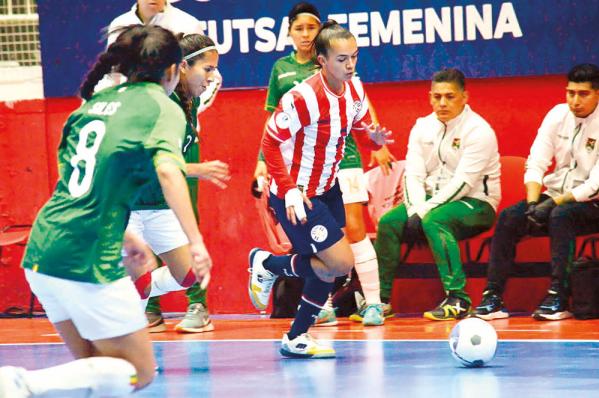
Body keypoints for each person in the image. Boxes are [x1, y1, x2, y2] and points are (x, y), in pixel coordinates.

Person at [0, 25, 211, 396]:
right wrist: (196, 242)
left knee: (99, 373)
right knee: (138, 372)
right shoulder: (162, 105)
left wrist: (128, 234)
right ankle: (21, 383)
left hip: (43, 250)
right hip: (88, 256)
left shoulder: (93, 105)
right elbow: (167, 170)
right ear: (173, 70)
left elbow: (80, 185)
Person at [248, 21, 393, 358]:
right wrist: (288, 189)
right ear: (321, 60)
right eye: (342, 59)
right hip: (294, 194)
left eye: (354, 57)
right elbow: (269, 143)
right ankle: (268, 264)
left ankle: (296, 336)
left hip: (327, 188)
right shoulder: (302, 98)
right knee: (339, 262)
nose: (350, 65)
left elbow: (355, 121)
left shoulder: (354, 88)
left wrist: (372, 137)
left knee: (327, 265)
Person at [106, 0, 223, 332]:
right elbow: (156, 165)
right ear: (181, 68)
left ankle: (140, 288)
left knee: (192, 274)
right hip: (132, 203)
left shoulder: (188, 99)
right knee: (130, 304)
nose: (214, 76)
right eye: (208, 69)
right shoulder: (157, 104)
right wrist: (197, 169)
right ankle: (121, 336)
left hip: (157, 205)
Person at [474, 63, 599, 321]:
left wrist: (552, 203)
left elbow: (594, 185)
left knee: (561, 216)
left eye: (583, 94)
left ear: (598, 94)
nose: (575, 101)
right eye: (570, 93)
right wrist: (533, 204)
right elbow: (536, 161)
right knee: (511, 217)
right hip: (555, 198)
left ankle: (559, 297)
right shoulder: (557, 115)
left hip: (591, 202)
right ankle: (493, 296)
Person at [375, 68, 500, 321]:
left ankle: (458, 299)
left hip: (476, 204)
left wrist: (421, 212)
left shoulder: (478, 130)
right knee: (388, 223)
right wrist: (414, 210)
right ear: (430, 96)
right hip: (430, 203)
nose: (442, 103)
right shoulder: (422, 127)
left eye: (450, 96)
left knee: (435, 219)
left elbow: (463, 183)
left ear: (464, 97)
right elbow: (413, 175)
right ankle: (380, 301)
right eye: (437, 96)